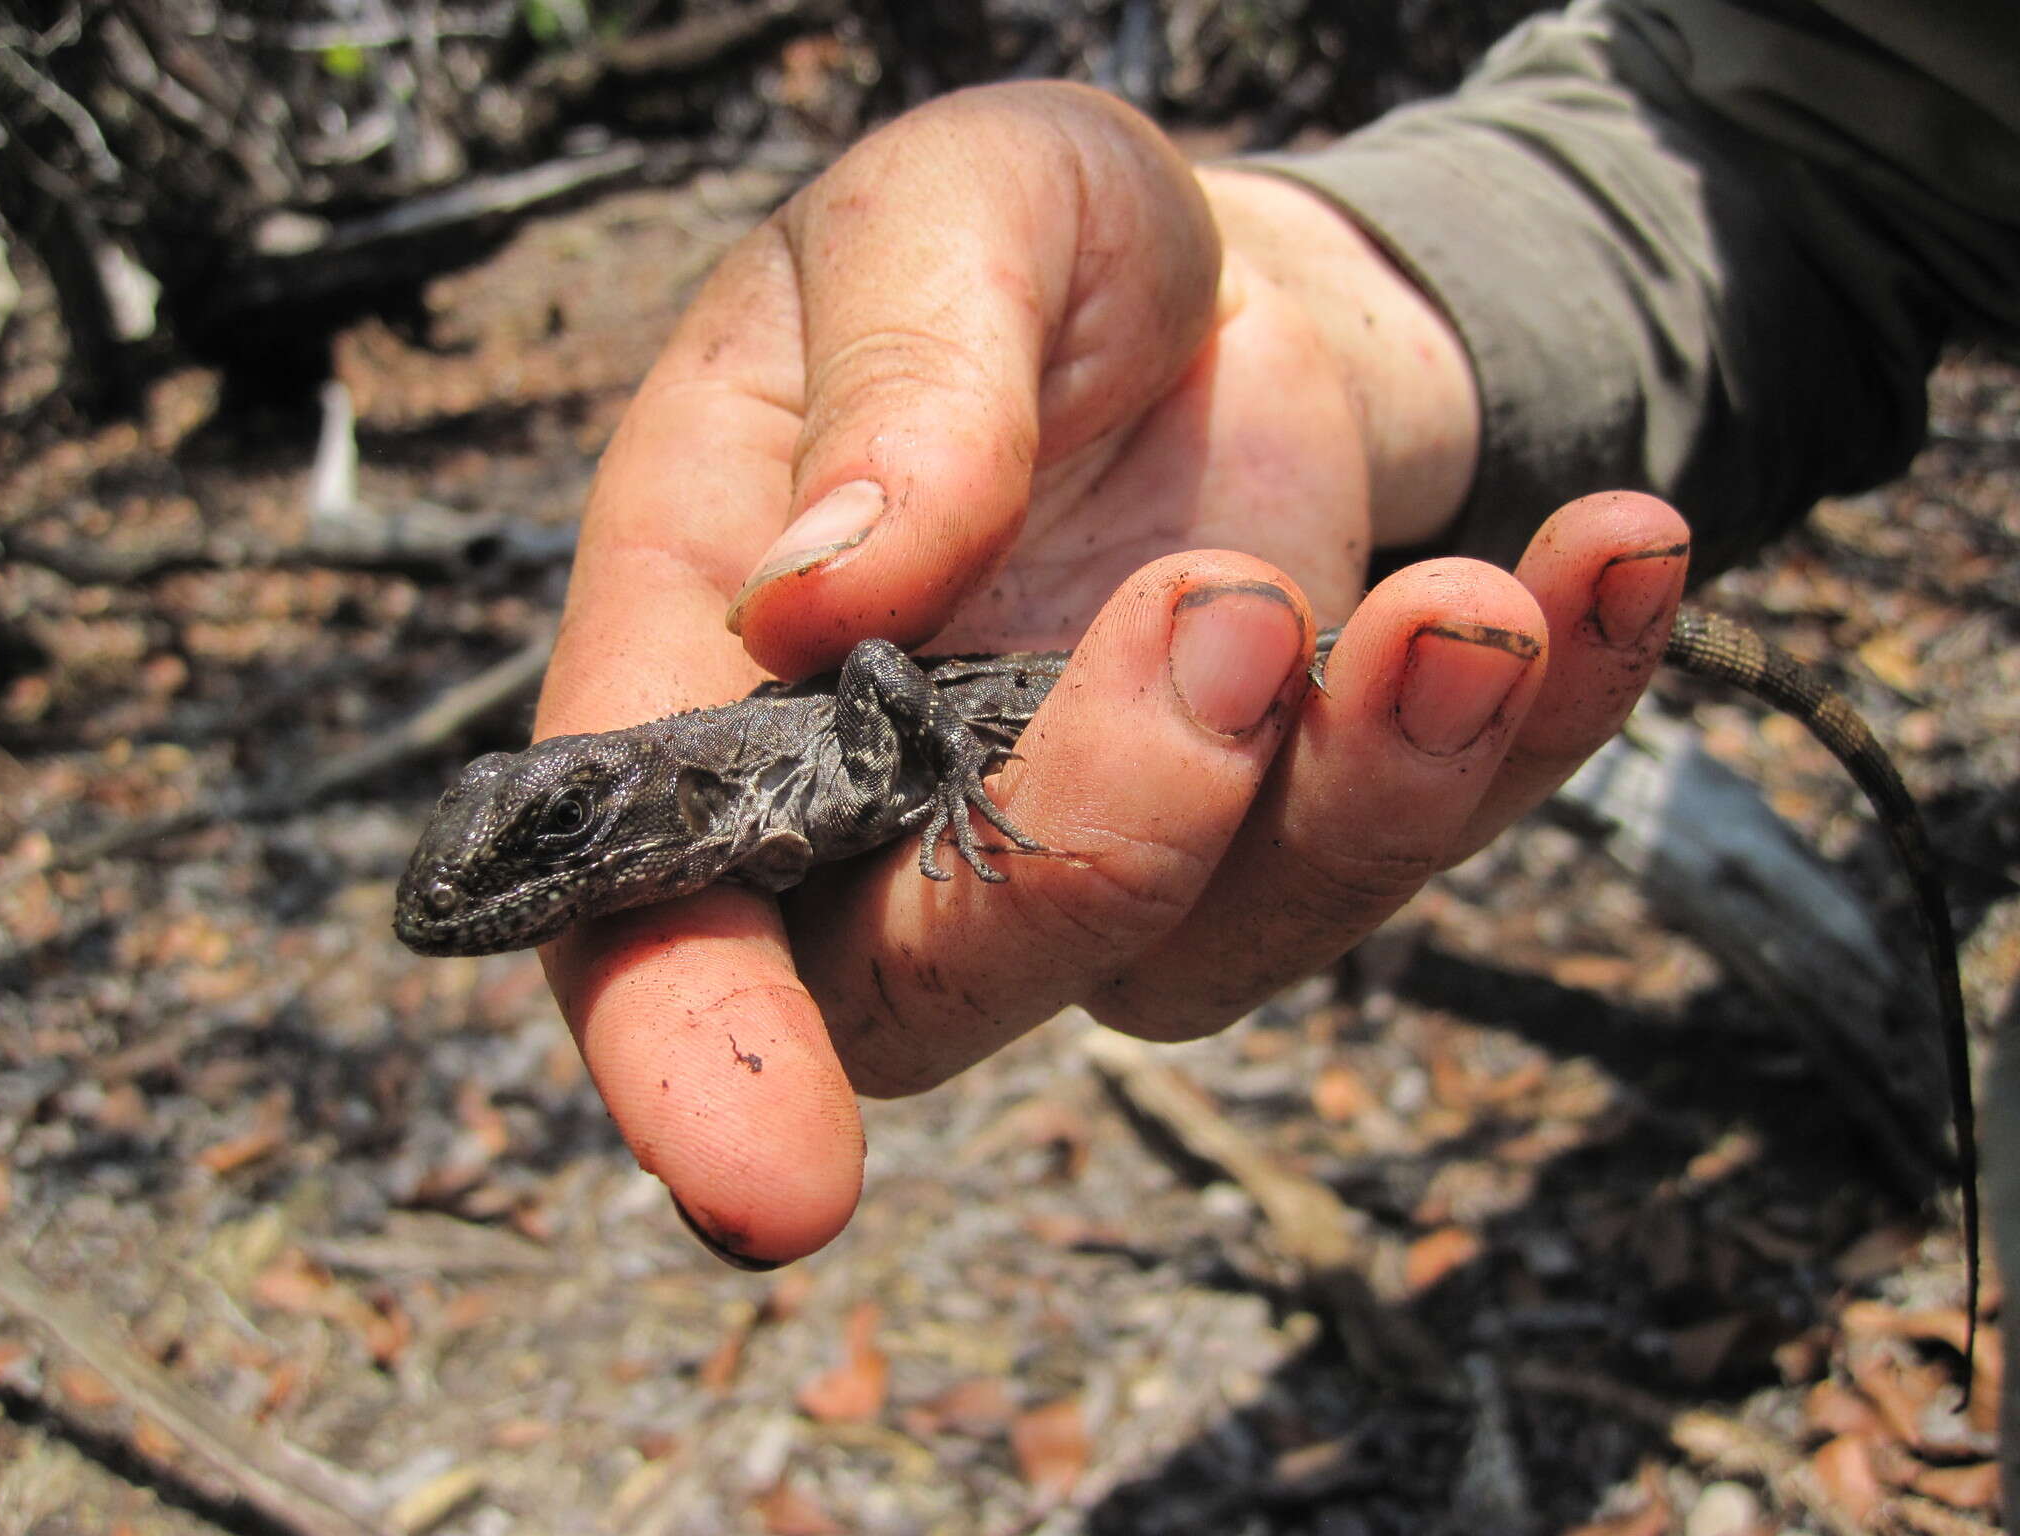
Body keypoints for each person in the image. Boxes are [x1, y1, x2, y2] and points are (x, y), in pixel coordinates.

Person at [532, 0, 2018, 1322]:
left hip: (1056, 692)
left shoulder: (737, 770)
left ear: (620, 809)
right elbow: (1802, 131)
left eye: (546, 844)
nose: (528, 892)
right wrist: (1296, 315)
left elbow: (877, 672)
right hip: (1168, 658)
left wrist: (941, 785)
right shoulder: (718, 809)